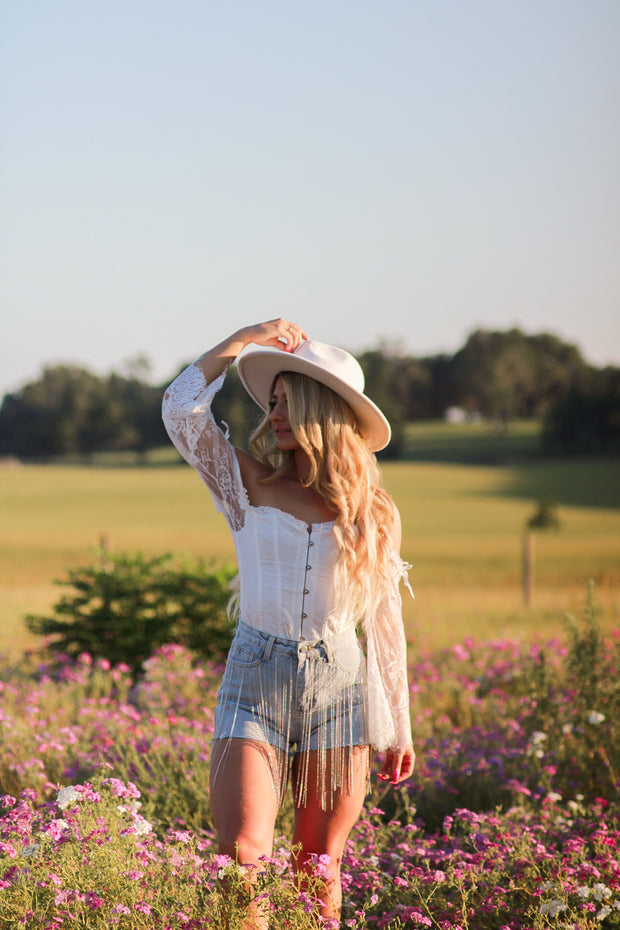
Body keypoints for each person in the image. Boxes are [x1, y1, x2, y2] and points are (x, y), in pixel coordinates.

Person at [162, 319, 414, 925]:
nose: (273, 414)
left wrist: (398, 725)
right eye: (270, 402)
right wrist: (242, 338)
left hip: (341, 692)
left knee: (318, 866)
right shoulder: (245, 484)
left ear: (318, 409)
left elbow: (384, 620)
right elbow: (180, 410)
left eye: (285, 401)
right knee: (242, 854)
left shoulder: (374, 511)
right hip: (255, 681)